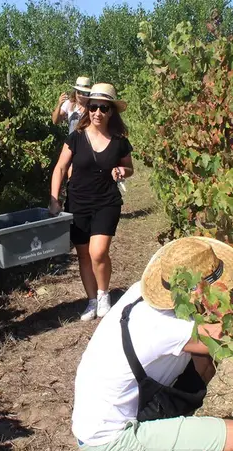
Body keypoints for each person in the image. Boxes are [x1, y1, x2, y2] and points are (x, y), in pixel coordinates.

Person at [71, 236, 233, 451]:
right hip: (110, 441)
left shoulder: (140, 294)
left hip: (104, 421)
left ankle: (160, 449)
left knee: (204, 362)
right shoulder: (166, 327)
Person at [48, 83, 133, 321]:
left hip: (107, 201)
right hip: (77, 203)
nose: (97, 112)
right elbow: (60, 168)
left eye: (103, 108)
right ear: (88, 109)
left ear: (111, 112)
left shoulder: (118, 141)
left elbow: (129, 168)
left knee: (98, 252)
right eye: (93, 107)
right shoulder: (75, 137)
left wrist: (122, 171)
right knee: (84, 255)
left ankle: (104, 293)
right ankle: (92, 300)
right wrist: (54, 199)